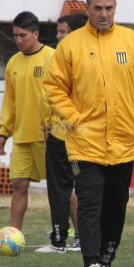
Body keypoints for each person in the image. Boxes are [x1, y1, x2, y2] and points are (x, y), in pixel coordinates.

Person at [43, 0, 134, 267]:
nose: (104, 13)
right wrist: (73, 119)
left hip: (124, 141)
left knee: (115, 206)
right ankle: (92, 264)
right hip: (85, 141)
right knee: (90, 201)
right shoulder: (70, 46)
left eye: (109, 7)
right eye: (98, 8)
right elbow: (54, 86)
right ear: (87, 7)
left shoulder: (132, 41)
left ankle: (107, 262)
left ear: (115, 7)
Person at [0, 11, 54, 231]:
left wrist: (55, 127)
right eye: (15, 36)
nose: (18, 40)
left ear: (36, 33)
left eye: (23, 35)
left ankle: (77, 235)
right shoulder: (13, 63)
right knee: (18, 184)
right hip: (22, 136)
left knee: (60, 187)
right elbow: (9, 101)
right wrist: (3, 133)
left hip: (49, 135)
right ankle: (14, 233)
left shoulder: (52, 57)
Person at [36, 13, 88, 254]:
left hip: (78, 135)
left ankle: (75, 238)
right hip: (62, 133)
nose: (57, 36)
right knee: (62, 187)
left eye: (62, 32)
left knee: (78, 188)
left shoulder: (76, 58)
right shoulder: (68, 57)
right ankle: (63, 239)